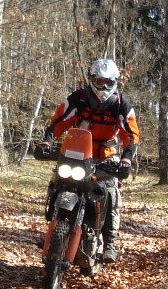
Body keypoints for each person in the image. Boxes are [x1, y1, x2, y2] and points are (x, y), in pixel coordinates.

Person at [43, 58, 138, 262]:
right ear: (92, 79)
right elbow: (60, 121)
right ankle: (54, 224)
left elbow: (131, 135)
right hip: (76, 152)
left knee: (110, 191)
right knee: (57, 181)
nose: (103, 86)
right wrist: (47, 142)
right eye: (99, 81)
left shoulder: (122, 105)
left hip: (106, 156)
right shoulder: (78, 99)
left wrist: (126, 159)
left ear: (115, 82)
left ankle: (110, 243)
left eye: (108, 82)